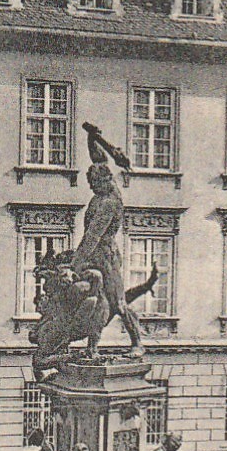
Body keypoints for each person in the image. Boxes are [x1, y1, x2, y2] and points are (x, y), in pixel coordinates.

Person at [70, 125, 144, 357]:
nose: (90, 186)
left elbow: (93, 236)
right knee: (97, 300)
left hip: (106, 257)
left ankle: (138, 343)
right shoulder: (102, 192)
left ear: (103, 181)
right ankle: (92, 348)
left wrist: (75, 263)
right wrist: (93, 138)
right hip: (97, 255)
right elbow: (99, 158)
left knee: (117, 302)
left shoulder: (108, 203)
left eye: (93, 182)